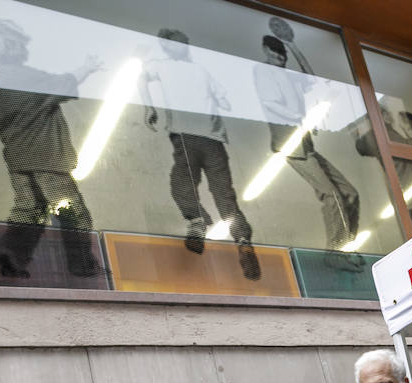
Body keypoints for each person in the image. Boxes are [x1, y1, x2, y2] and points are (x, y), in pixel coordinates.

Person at [0, 19, 102, 279]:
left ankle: (11, 259)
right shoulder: (12, 75)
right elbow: (58, 84)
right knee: (72, 210)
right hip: (44, 155)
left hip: (19, 155)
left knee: (29, 209)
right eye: (7, 41)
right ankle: (82, 265)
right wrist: (87, 67)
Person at [143, 29, 260, 281]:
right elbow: (143, 78)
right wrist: (149, 106)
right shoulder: (174, 68)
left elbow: (223, 98)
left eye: (181, 44)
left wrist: (149, 107)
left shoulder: (186, 69)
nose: (179, 48)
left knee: (202, 188)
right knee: (203, 189)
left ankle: (217, 230)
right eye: (174, 44)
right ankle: (222, 231)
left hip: (200, 137)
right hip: (199, 136)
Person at [253, 34, 360, 252]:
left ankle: (346, 247)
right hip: (290, 145)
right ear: (266, 50)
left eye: (282, 53)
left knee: (350, 193)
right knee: (332, 196)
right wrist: (299, 118)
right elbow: (270, 103)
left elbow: (312, 78)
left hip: (306, 145)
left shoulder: (288, 75)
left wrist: (294, 46)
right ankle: (336, 254)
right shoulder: (263, 71)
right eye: (275, 52)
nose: (279, 57)